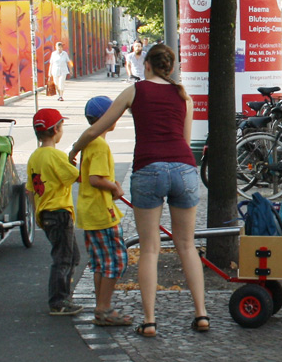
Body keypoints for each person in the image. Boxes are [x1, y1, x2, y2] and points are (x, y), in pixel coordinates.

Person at [69, 44, 207, 337]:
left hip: (148, 169)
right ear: (170, 67)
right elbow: (183, 140)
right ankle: (202, 314)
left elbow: (96, 129)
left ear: (146, 65)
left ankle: (150, 320)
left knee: (150, 249)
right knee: (186, 245)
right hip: (183, 169)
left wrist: (74, 150)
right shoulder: (184, 96)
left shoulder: (136, 91)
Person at [77, 95, 132, 326]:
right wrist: (115, 187)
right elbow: (95, 178)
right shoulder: (99, 145)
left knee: (100, 262)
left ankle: (101, 308)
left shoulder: (89, 143)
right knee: (116, 260)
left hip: (90, 211)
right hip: (101, 212)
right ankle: (104, 308)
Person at [27, 108, 82, 315]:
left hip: (46, 214)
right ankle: (58, 301)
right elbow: (76, 176)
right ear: (56, 129)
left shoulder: (35, 156)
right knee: (63, 259)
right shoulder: (56, 155)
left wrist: (36, 215)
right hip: (60, 213)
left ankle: (64, 295)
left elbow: (30, 189)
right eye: (61, 127)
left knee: (71, 256)